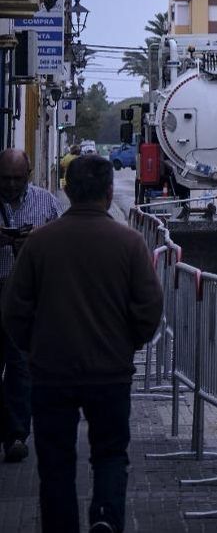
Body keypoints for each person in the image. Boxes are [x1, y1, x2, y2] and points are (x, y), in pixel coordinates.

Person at [2, 154, 163, 533]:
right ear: (108, 192)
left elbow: (14, 308)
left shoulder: (39, 244)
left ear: (69, 191)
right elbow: (149, 307)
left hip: (51, 373)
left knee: (55, 462)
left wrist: (32, 348)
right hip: (110, 372)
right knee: (110, 454)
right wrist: (127, 345)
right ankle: (106, 516)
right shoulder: (129, 243)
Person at [0, 148, 61, 463]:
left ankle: (15, 435)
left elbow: (62, 248)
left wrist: (37, 242)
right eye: (5, 179)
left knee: (20, 367)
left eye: (17, 178)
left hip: (24, 295)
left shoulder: (46, 202)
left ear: (28, 175)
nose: (11, 185)